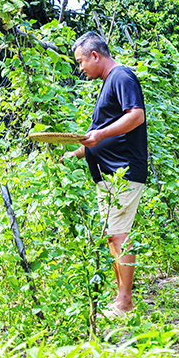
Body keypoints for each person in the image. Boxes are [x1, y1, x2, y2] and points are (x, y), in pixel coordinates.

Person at [63, 31, 147, 315]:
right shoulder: (108, 83)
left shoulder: (121, 76)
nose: (81, 68)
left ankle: (125, 303)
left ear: (95, 55)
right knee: (113, 237)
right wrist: (75, 153)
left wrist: (98, 136)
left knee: (119, 236)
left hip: (122, 173)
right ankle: (121, 300)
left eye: (81, 61)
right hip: (109, 173)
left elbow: (136, 116)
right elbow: (104, 137)